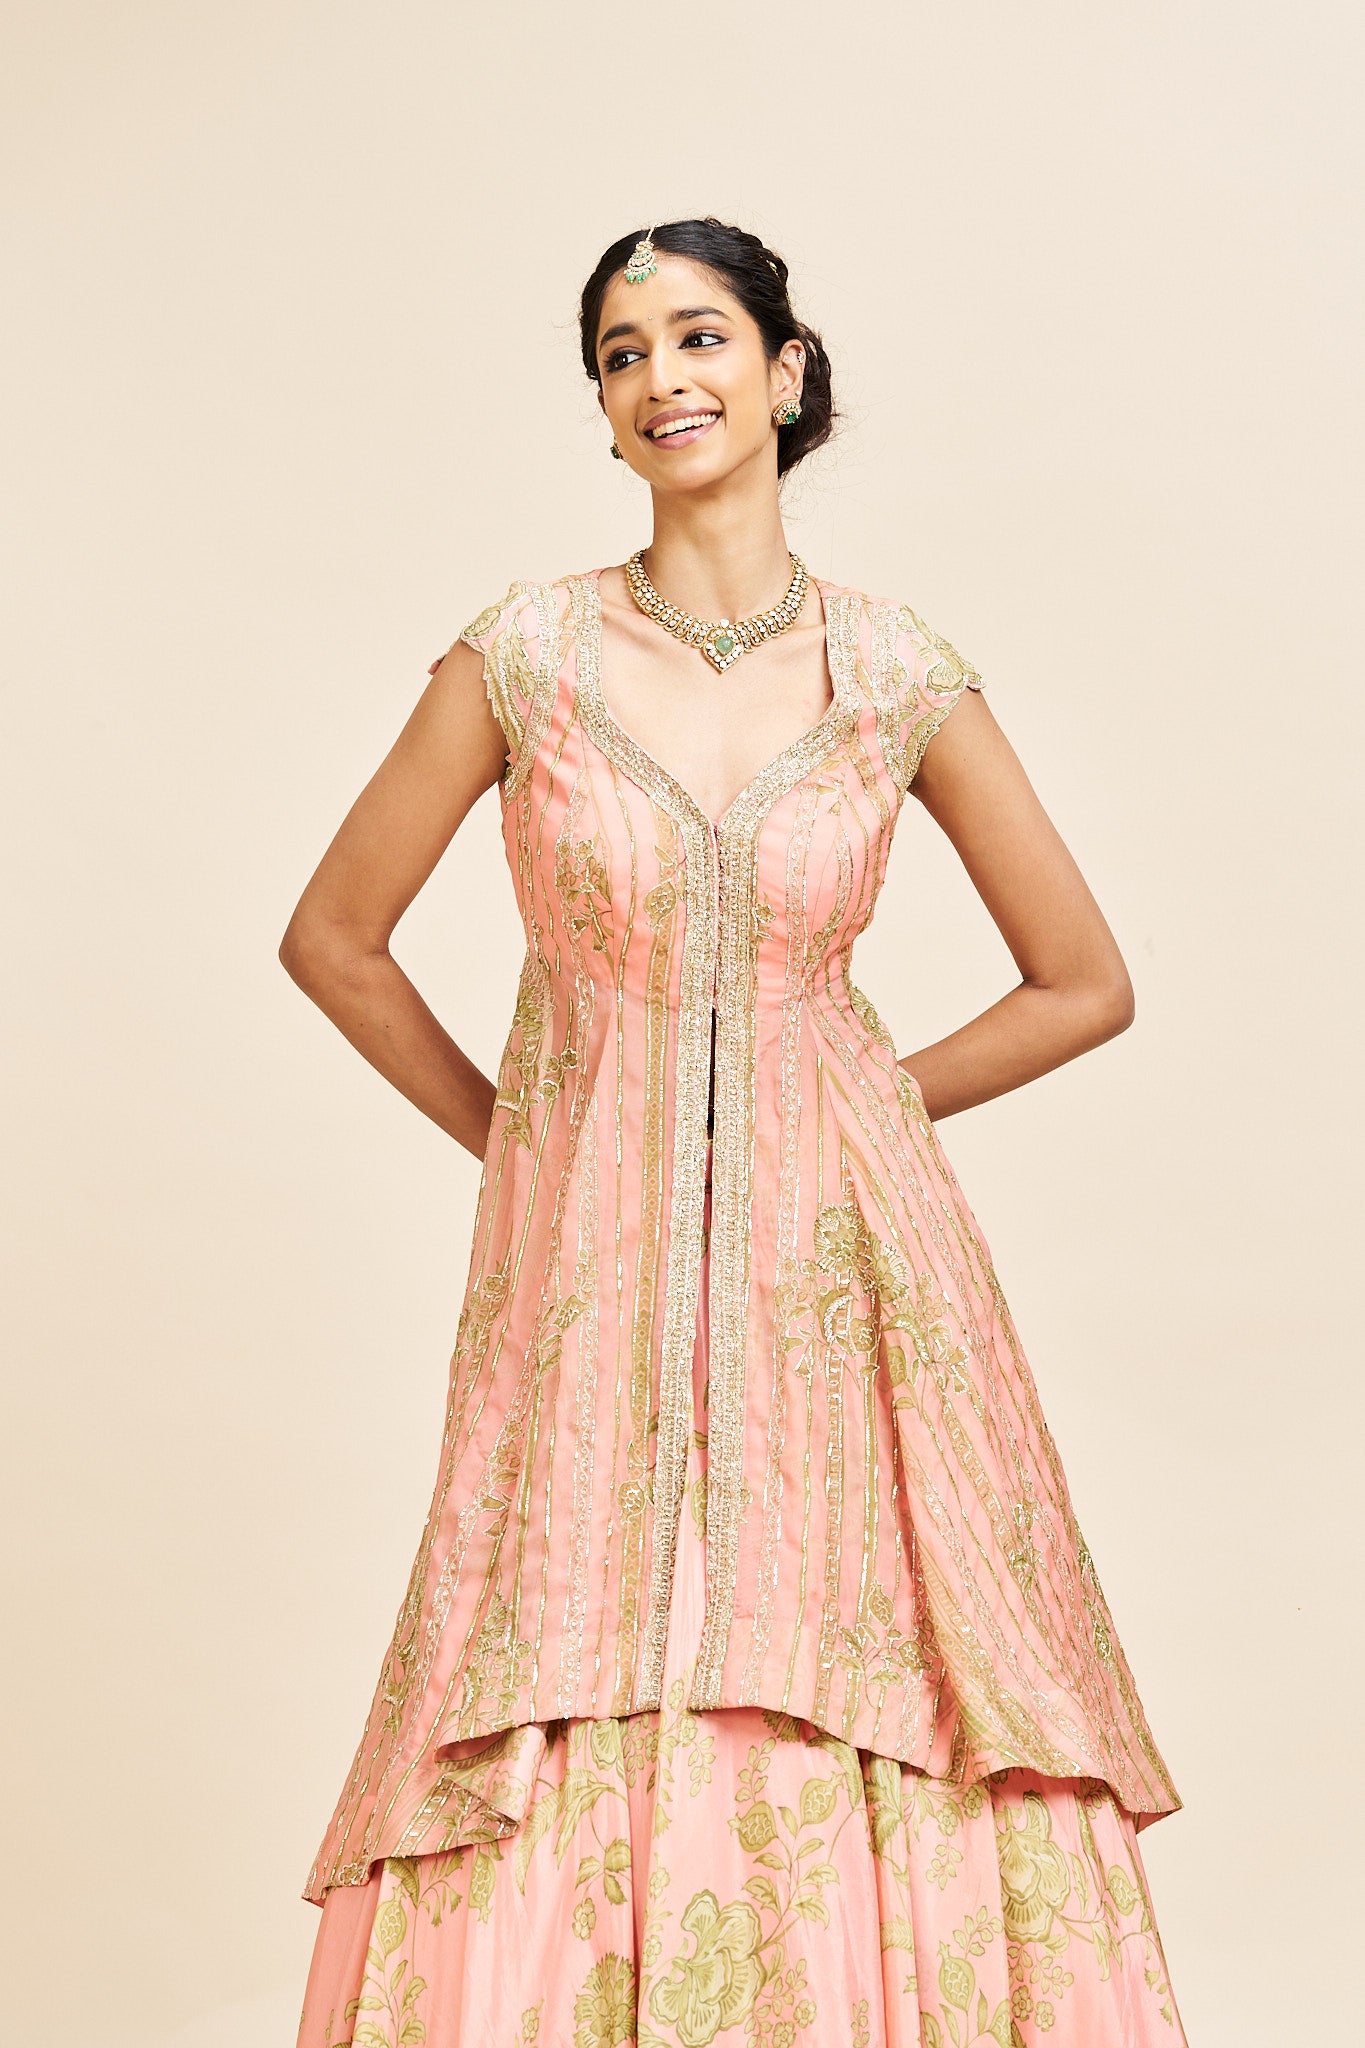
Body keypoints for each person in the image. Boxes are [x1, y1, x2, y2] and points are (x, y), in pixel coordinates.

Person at [284, 217, 1188, 2048]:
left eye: (699, 337)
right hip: (585, 1271)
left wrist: (847, 1108)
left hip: (851, 1272)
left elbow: (1081, 982)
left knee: (869, 1631)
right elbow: (335, 940)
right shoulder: (524, 655)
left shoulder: (893, 668)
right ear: (604, 410)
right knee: (565, 1614)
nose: (661, 378)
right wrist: (531, 1145)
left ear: (784, 372)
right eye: (621, 354)